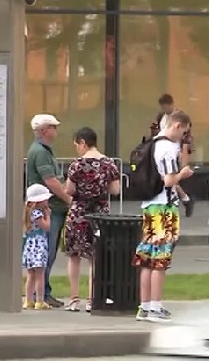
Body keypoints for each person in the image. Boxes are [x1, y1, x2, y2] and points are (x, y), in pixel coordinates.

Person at [134, 110, 195, 323]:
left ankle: (145, 307)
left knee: (147, 259)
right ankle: (155, 307)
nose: (183, 137)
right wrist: (183, 174)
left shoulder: (152, 143)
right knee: (160, 259)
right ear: (177, 126)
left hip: (150, 206)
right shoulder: (168, 147)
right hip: (164, 208)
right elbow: (169, 180)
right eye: (183, 132)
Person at [63, 127, 120, 313]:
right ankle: (91, 299)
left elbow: (69, 190)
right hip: (100, 213)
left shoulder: (76, 165)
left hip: (78, 212)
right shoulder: (109, 164)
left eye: (76, 145)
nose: (76, 149)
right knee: (95, 257)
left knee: (74, 255)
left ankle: (74, 300)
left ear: (82, 142)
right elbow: (115, 190)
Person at [25, 113, 69, 308]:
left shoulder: (43, 150)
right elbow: (50, 181)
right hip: (48, 209)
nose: (56, 131)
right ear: (44, 131)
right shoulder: (41, 152)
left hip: (50, 207)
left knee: (48, 252)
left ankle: (41, 293)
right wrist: (68, 199)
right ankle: (41, 294)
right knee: (46, 252)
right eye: (53, 127)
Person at [150, 94, 195, 217]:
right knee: (169, 176)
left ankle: (185, 198)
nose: (165, 109)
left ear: (171, 104)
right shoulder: (161, 117)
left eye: (166, 106)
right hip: (162, 203)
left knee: (169, 175)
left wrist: (184, 156)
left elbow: (186, 138)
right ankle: (185, 198)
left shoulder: (180, 117)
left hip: (176, 149)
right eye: (163, 107)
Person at [22, 184, 53, 310]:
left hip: (30, 246)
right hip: (38, 246)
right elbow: (46, 227)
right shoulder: (37, 213)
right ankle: (39, 300)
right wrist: (48, 215)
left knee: (31, 275)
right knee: (40, 275)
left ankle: (28, 300)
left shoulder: (28, 213)